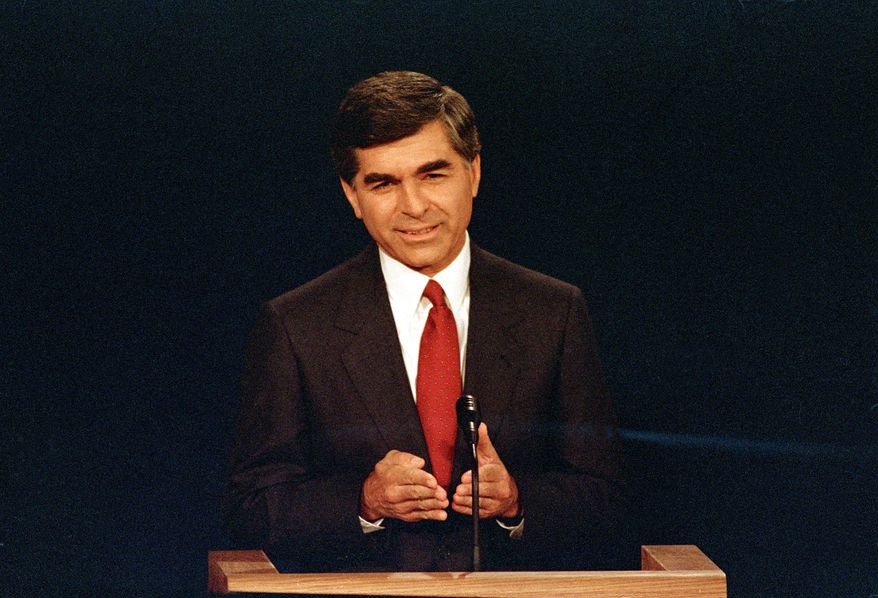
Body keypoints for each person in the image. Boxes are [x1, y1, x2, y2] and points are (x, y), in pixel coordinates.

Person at [223, 71, 625, 572]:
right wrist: (365, 502)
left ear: (473, 173)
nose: (413, 207)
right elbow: (251, 508)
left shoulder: (553, 311)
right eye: (383, 183)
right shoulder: (295, 325)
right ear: (353, 196)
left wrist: (517, 501)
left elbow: (606, 498)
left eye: (433, 175)